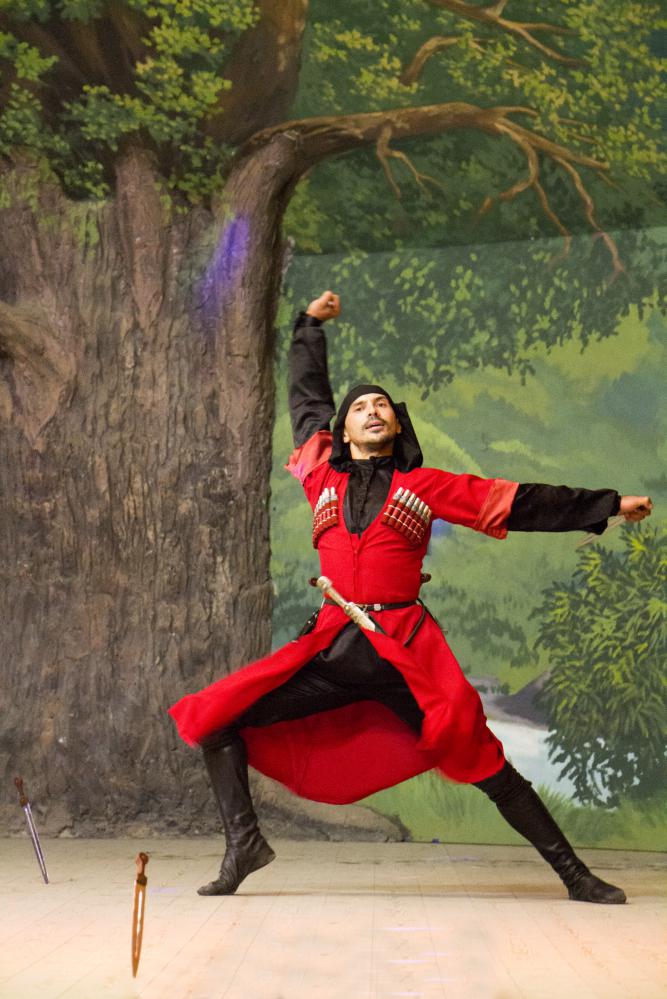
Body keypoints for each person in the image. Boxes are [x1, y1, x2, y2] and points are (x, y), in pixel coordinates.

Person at [169, 291, 652, 903]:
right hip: (334, 652)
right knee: (215, 720)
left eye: (382, 406)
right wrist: (309, 326)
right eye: (359, 407)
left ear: (397, 426)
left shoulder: (424, 485)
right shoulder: (320, 472)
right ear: (343, 429)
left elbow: (519, 502)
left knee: (486, 763)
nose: (372, 410)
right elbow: (308, 399)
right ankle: (245, 844)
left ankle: (575, 876)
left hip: (404, 658)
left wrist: (608, 506)